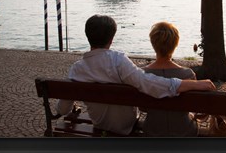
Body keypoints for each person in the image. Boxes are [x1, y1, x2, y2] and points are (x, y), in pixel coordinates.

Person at [56, 14, 215, 135]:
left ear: (88, 37)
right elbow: (149, 83)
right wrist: (192, 84)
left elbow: (63, 110)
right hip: (127, 128)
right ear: (112, 39)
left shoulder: (77, 69)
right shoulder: (118, 61)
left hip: (99, 125)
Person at [142, 21, 199, 137]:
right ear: (176, 44)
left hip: (153, 130)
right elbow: (193, 106)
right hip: (183, 131)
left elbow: (142, 107)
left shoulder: (142, 74)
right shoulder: (188, 74)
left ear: (153, 43)